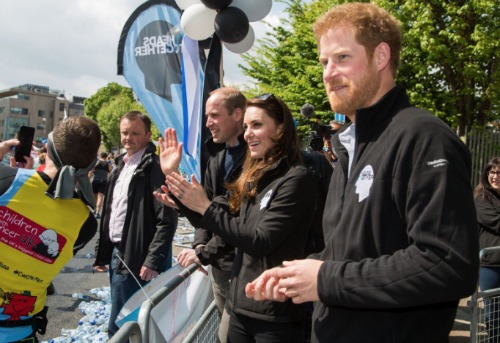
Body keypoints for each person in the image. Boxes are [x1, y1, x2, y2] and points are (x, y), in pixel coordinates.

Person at [245, 3, 479, 343]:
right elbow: (354, 252)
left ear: (381, 56)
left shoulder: (424, 137)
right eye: (324, 62)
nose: (327, 73)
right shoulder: (349, 145)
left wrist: (325, 279)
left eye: (342, 58)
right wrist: (299, 273)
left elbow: (447, 263)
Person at [157, 94, 318, 342]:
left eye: (257, 125)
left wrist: (205, 208)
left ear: (281, 128)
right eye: (246, 127)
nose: (248, 134)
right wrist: (175, 179)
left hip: (276, 317)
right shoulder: (252, 174)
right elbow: (223, 223)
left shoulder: (296, 179)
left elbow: (259, 240)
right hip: (240, 305)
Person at [0, 116, 101, 343]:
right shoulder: (86, 223)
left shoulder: (7, 180)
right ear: (91, 164)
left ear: (47, 147)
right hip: (19, 330)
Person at [163, 87, 247, 343]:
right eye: (207, 116)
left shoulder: (255, 159)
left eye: (214, 115)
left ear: (237, 114)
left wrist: (202, 253)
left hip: (244, 269)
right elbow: (206, 213)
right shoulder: (216, 158)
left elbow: (238, 224)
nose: (208, 123)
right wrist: (200, 243)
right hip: (219, 268)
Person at [93, 111, 178, 338]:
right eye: (124, 132)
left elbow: (167, 219)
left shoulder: (156, 167)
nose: (128, 138)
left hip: (139, 258)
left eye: (134, 133)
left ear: (148, 134)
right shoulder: (120, 165)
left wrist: (153, 259)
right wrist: (102, 254)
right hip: (118, 253)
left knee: (124, 325)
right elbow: (112, 214)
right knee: (124, 320)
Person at [475, 157, 500, 342]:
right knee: (493, 314)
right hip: (490, 265)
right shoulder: (481, 197)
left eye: (499, 173)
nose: (495, 176)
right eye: (492, 172)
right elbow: (496, 222)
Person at [90, 152, 112, 219]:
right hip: (104, 181)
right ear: (106, 156)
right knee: (100, 197)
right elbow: (110, 171)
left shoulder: (97, 162)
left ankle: (94, 209)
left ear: (100, 156)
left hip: (95, 180)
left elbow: (91, 171)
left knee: (95, 196)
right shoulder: (108, 163)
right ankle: (97, 212)